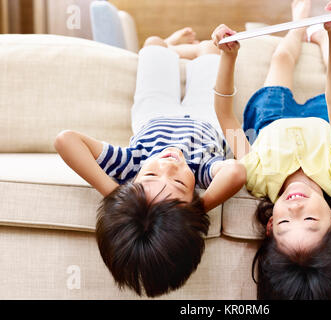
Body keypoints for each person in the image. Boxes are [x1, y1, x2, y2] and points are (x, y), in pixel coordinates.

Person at [54, 28, 246, 297]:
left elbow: (66, 140)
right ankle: (188, 53)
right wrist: (197, 209)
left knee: (154, 42)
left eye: (151, 178)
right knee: (209, 49)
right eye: (179, 182)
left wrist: (115, 195)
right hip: (206, 116)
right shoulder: (201, 172)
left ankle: (172, 49)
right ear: (191, 198)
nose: (168, 166)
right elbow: (237, 171)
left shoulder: (131, 166)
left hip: (153, 113)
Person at [212, 0, 331, 299]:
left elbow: (226, 117)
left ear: (269, 225)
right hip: (327, 118)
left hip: (271, 116)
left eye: (283, 222)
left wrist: (228, 57)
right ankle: (318, 36)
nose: (294, 208)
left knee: (281, 57)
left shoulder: (258, 178)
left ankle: (300, 19)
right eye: (308, 220)